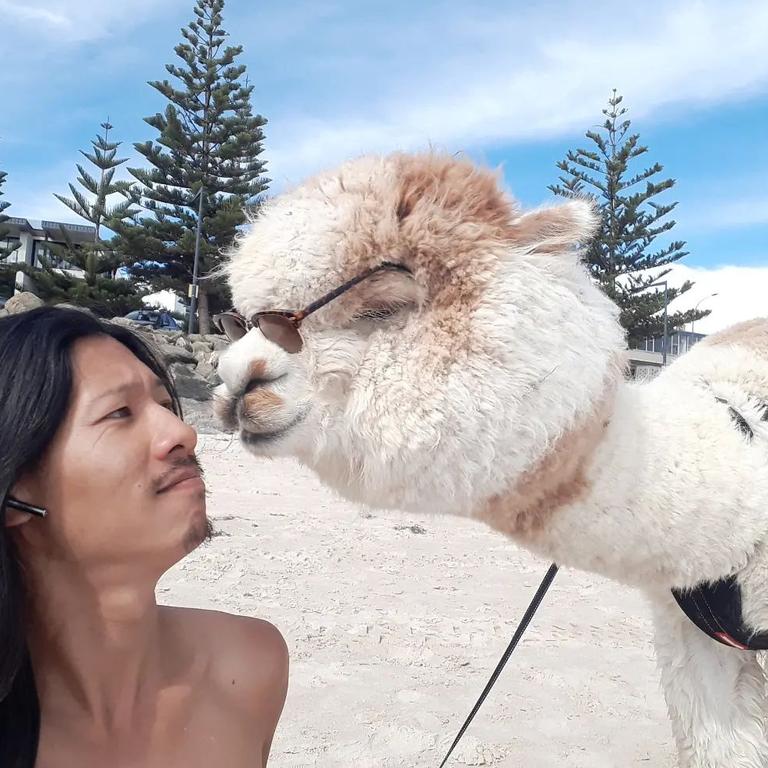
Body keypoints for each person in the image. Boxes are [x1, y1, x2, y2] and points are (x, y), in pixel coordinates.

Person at [0, 307, 288, 768]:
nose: (183, 432)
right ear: (16, 486)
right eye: (119, 413)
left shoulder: (249, 666)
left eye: (166, 405)